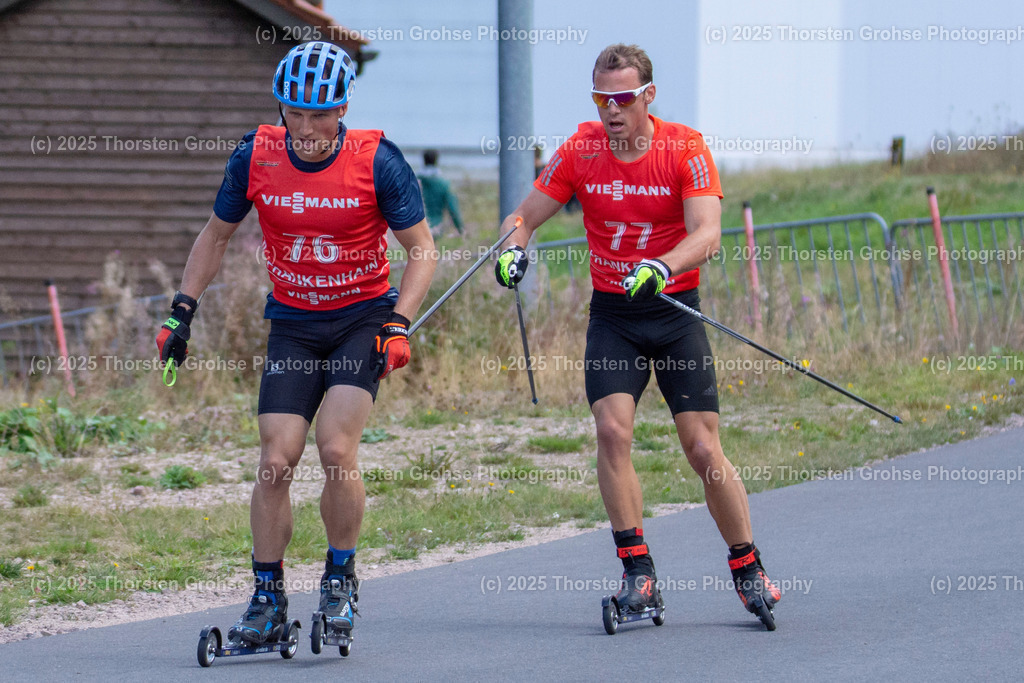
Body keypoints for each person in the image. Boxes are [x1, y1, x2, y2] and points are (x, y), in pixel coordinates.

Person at [155, 41, 437, 645]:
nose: (307, 129)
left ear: (342, 109)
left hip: (362, 319)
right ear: (281, 108)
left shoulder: (377, 161)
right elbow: (216, 236)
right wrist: (182, 312)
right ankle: (267, 597)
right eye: (295, 114)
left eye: (321, 115)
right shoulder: (255, 155)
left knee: (336, 450)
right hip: (294, 324)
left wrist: (400, 321)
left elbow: (423, 250)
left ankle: (339, 581)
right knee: (275, 459)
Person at [494, 44, 780, 625]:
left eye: (623, 98)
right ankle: (639, 575)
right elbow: (522, 217)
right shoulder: (582, 150)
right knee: (612, 432)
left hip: (675, 310)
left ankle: (748, 568)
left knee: (702, 448)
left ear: (648, 95)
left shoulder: (685, 147)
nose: (611, 110)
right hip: (615, 316)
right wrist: (512, 251)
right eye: (602, 98)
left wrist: (663, 267)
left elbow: (708, 234)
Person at [418, 149, 464, 237]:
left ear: (424, 160)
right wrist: (460, 229)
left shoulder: (414, 181)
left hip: (416, 228)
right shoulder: (443, 184)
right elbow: (453, 209)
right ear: (436, 160)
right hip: (436, 228)